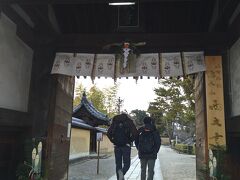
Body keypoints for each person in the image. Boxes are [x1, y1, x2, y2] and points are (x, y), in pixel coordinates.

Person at [107, 113, 137, 180]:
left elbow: (108, 133)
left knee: (118, 165)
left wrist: (114, 141)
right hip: (126, 146)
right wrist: (129, 141)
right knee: (127, 164)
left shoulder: (115, 121)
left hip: (117, 146)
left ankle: (119, 178)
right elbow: (135, 133)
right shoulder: (129, 121)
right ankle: (122, 174)